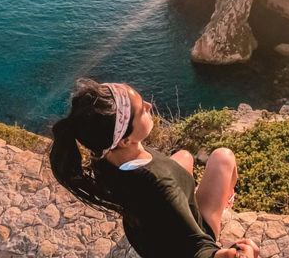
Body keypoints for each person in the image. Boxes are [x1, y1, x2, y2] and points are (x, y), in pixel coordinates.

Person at [49, 78, 260, 258]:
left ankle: (194, 196)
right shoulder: (160, 185)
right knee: (224, 157)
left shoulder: (104, 153)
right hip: (184, 241)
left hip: (145, 237)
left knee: (184, 156)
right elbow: (198, 249)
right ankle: (226, 200)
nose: (149, 105)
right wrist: (232, 254)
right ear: (125, 140)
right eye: (141, 110)